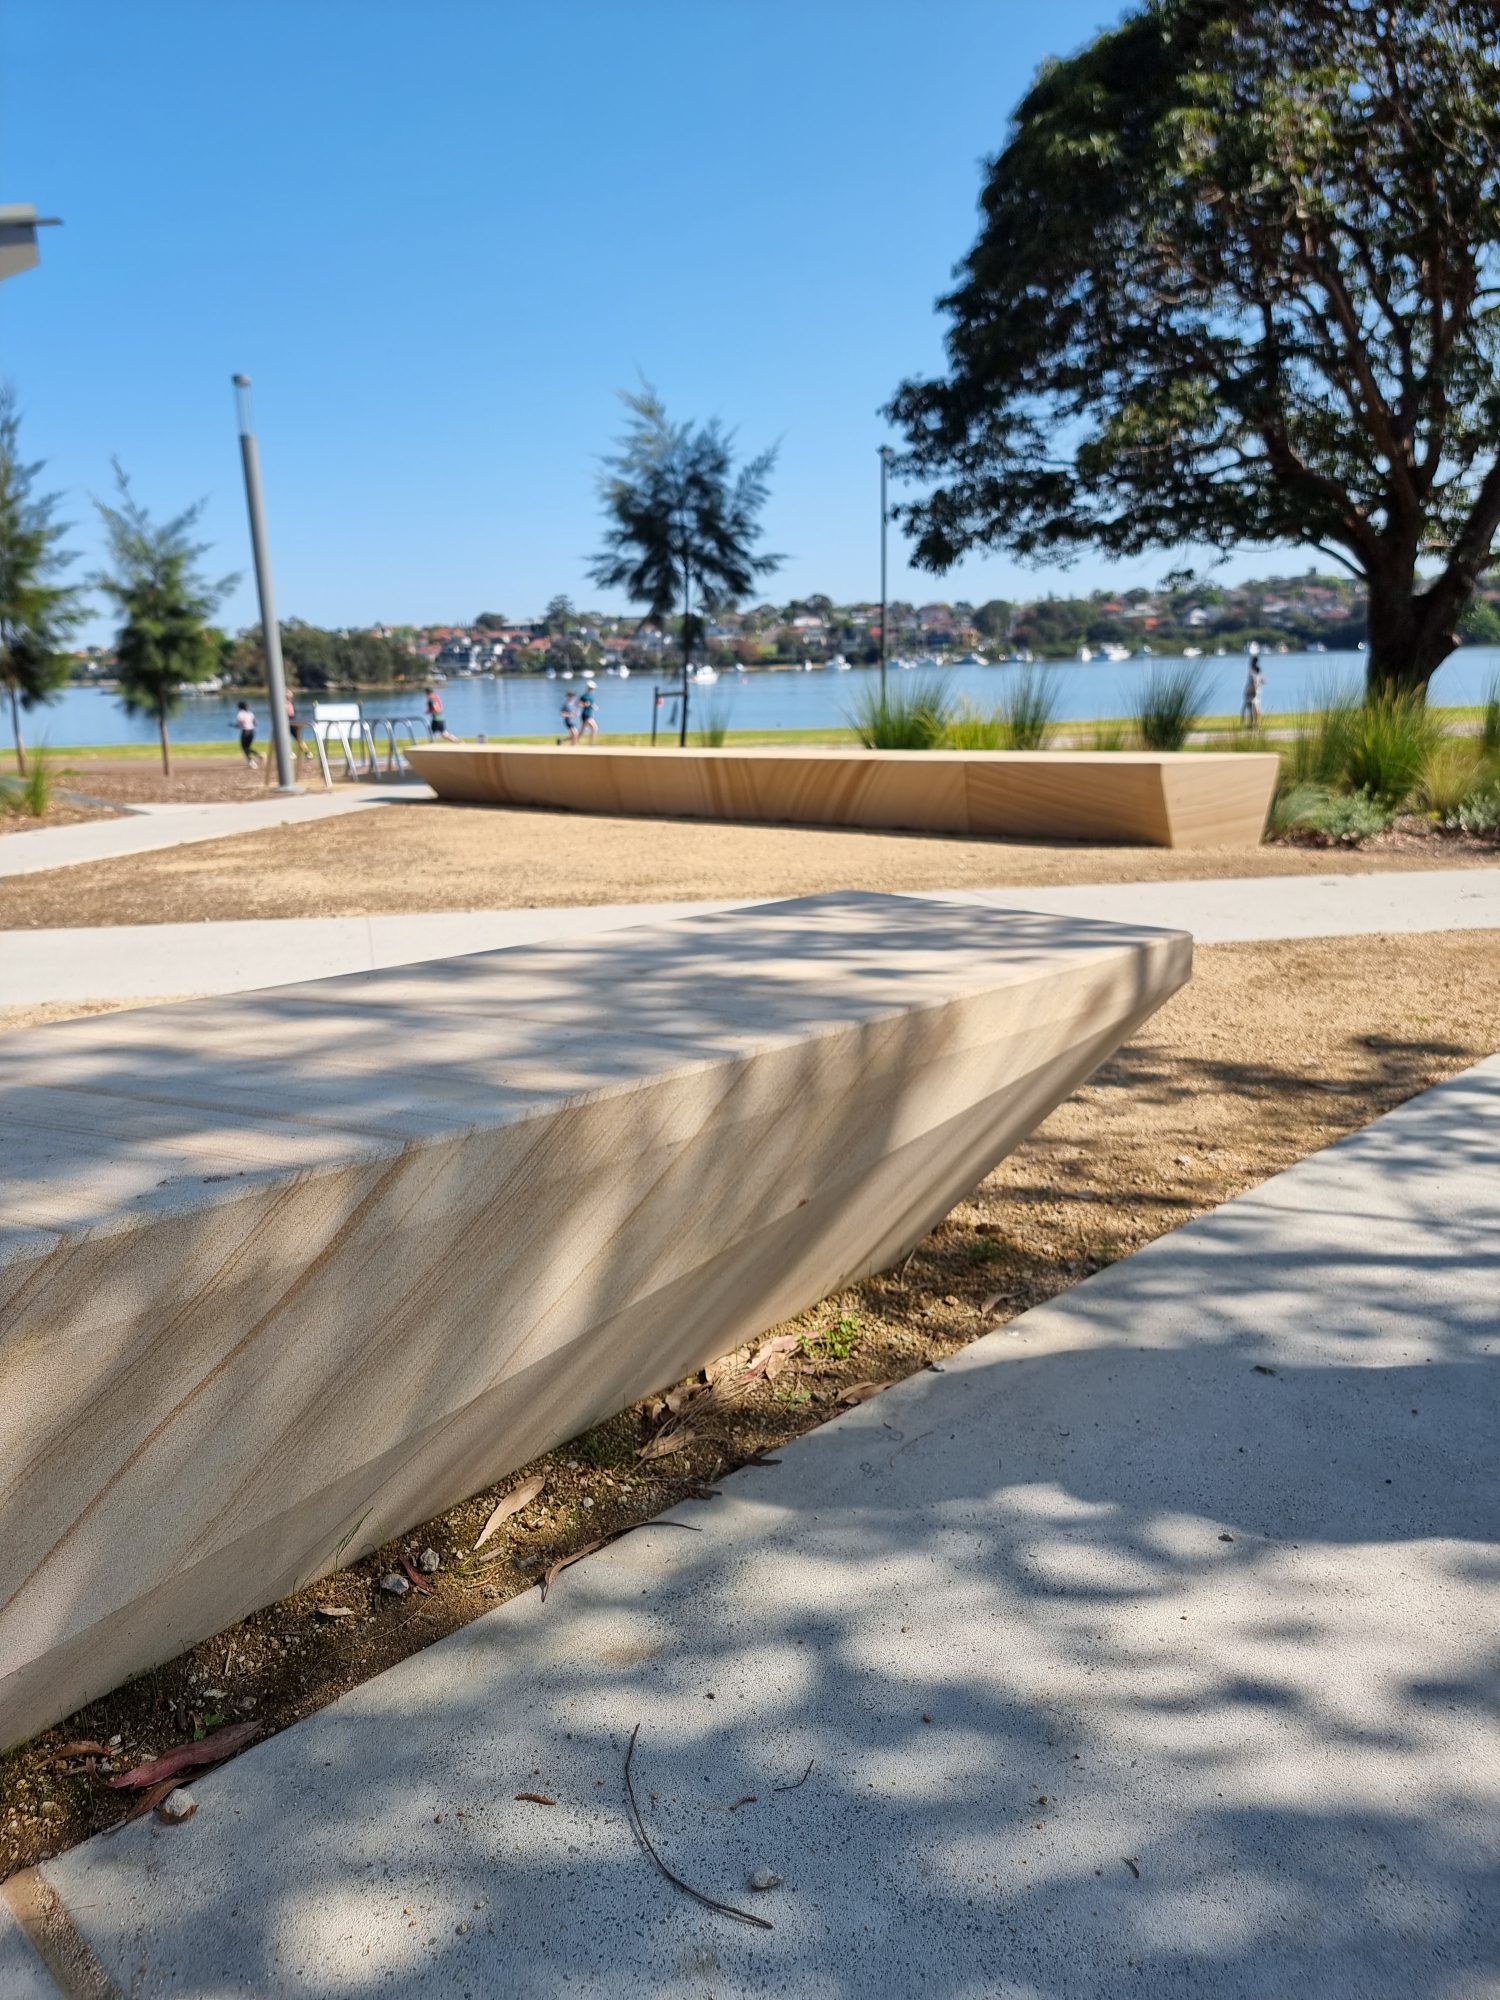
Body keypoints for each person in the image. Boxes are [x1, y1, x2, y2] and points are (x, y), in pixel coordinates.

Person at [1241, 644, 1264, 729]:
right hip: (1255, 691)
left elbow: (1255, 682)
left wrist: (1252, 689)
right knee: (1253, 707)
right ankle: (1254, 723)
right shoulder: (1257, 672)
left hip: (1251, 691)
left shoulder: (1253, 672)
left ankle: (1253, 723)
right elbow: (1262, 680)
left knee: (1250, 707)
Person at [235, 700, 261, 766]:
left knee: (245, 748)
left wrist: (235, 726)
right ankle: (258, 755)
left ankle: (251, 761)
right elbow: (255, 723)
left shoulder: (240, 714)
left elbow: (239, 725)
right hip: (252, 731)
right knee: (248, 747)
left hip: (245, 732)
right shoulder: (250, 713)